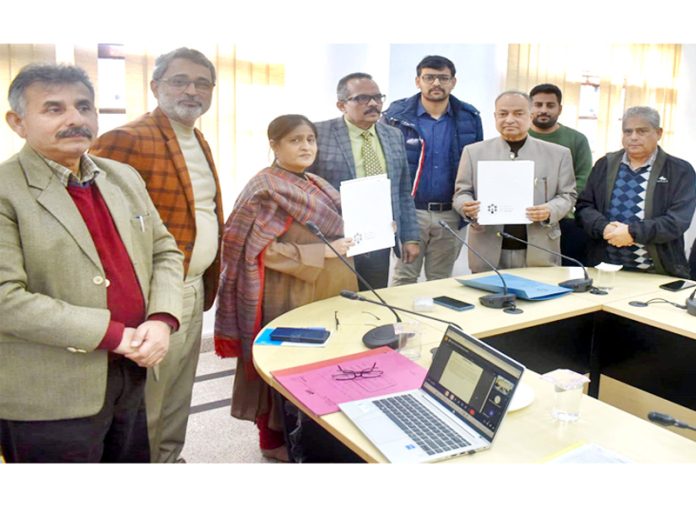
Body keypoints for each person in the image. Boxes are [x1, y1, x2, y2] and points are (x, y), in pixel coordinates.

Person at [0, 64, 183, 463]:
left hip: (132, 370)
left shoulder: (123, 177)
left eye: (84, 106)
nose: (76, 119)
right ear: (18, 122)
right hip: (50, 387)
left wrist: (163, 316)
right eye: (54, 109)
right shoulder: (6, 191)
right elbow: (5, 299)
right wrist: (116, 334)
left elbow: (165, 252)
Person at [90, 47, 223, 463]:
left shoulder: (197, 137)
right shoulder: (125, 140)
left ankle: (169, 459)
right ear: (155, 86)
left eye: (203, 83)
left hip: (195, 284)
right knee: (149, 394)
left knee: (179, 391)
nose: (192, 90)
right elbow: (99, 225)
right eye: (180, 80)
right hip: (156, 295)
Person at [214, 114, 358, 462]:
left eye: (310, 139)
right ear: (274, 145)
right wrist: (319, 252)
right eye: (295, 140)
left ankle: (317, 435)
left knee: (324, 362)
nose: (306, 146)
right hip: (288, 291)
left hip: (329, 288)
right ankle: (275, 440)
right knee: (286, 365)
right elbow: (255, 249)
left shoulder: (318, 184)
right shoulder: (264, 189)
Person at [308, 72, 420, 290]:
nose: (373, 104)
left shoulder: (393, 135)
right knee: (337, 304)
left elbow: (403, 191)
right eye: (362, 98)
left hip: (379, 236)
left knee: (373, 301)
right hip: (336, 239)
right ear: (341, 105)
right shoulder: (318, 133)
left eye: (378, 98)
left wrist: (410, 237)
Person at [382, 55, 483, 285]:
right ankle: (401, 322)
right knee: (404, 278)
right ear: (418, 81)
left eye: (443, 78)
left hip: (451, 213)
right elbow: (384, 165)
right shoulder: (395, 116)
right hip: (411, 213)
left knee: (441, 281)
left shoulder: (470, 117)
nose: (436, 83)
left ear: (453, 82)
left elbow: (478, 167)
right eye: (429, 77)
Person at [453, 91, 576, 272]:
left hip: (539, 248)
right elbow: (461, 193)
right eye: (503, 114)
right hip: (487, 248)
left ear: (530, 116)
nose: (509, 120)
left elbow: (568, 195)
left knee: (538, 298)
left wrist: (549, 210)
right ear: (495, 116)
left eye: (518, 113)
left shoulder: (558, 154)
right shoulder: (473, 152)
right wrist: (466, 206)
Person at [576, 106, 696, 277]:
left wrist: (631, 232)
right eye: (628, 131)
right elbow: (584, 207)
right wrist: (604, 227)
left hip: (658, 272)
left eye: (642, 131)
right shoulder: (605, 164)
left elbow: (677, 221)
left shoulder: (680, 171)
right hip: (604, 269)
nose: (633, 137)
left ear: (659, 133)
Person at [529, 83, 593, 265]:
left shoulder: (577, 139)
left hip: (564, 220)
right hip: (522, 219)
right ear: (530, 107)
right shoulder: (519, 137)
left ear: (560, 109)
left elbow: (583, 179)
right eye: (538, 105)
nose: (544, 110)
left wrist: (554, 207)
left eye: (550, 105)